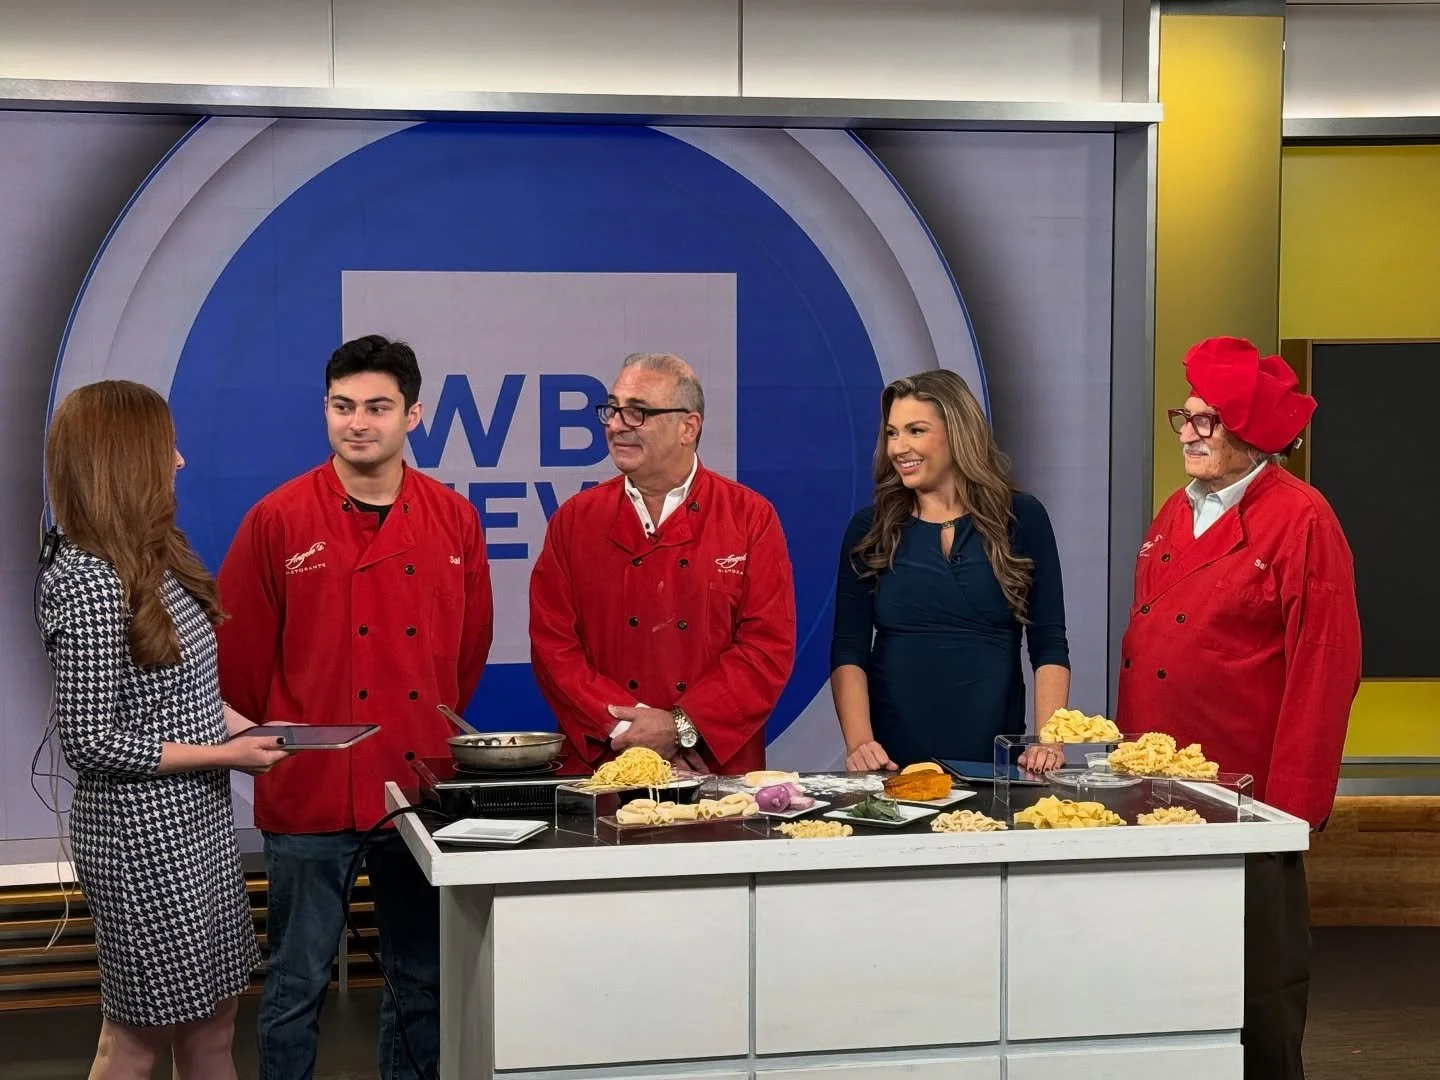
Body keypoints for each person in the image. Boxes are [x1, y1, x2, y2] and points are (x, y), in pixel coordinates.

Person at [215, 335, 494, 1080]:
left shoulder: (454, 520)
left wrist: (413, 736)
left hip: (413, 786)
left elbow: (465, 656)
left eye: (377, 407)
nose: (357, 423)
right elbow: (239, 669)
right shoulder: (276, 519)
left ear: (415, 415)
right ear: (325, 410)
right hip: (311, 790)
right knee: (295, 984)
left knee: (421, 982)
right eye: (342, 407)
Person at [1117, 336, 1362, 1080]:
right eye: (1183, 418)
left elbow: (1325, 667)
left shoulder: (1302, 519)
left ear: (1251, 431)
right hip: (1159, 791)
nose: (1188, 434)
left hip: (1246, 798)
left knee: (1256, 989)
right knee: (1165, 981)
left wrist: (1288, 813)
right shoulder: (1173, 510)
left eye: (1206, 421)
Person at [39, 380, 290, 1080]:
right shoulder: (87, 580)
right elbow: (91, 740)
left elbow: (188, 696)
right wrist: (227, 753)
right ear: (124, 459)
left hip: (197, 827)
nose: (179, 461)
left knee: (214, 1023)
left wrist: (263, 732)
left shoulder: (156, 559)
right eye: (164, 446)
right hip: (141, 842)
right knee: (139, 1037)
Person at [529, 351, 796, 775]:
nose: (616, 425)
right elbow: (553, 648)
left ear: (688, 426)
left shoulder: (750, 517)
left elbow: (766, 649)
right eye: (612, 410)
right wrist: (627, 725)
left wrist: (681, 726)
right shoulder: (574, 519)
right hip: (604, 766)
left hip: (710, 771)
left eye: (637, 413)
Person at [830, 369, 1071, 774]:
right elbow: (848, 650)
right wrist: (860, 744)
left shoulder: (1022, 518)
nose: (898, 447)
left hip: (996, 764)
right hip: (894, 765)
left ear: (956, 433)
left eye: (915, 431)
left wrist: (1049, 740)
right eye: (892, 433)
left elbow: (1048, 642)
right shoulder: (869, 528)